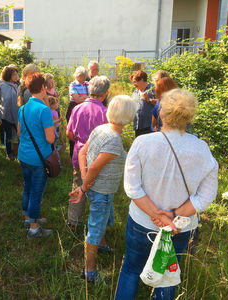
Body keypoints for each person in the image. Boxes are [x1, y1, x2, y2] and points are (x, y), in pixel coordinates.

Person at [115, 89, 219, 300]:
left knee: (131, 268)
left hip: (142, 222)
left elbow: (132, 188)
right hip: (180, 226)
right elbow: (206, 196)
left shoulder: (142, 143)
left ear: (161, 113)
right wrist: (173, 215)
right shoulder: (202, 149)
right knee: (167, 274)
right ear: (189, 118)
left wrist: (159, 215)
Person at [69, 95, 136, 282]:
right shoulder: (113, 139)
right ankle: (89, 272)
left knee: (106, 215)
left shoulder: (101, 129)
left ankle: (102, 244)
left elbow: (82, 151)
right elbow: (96, 167)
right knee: (96, 227)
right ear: (128, 116)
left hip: (97, 187)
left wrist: (84, 175)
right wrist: (83, 186)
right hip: (101, 190)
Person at [66, 76, 110, 230]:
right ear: (104, 94)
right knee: (98, 191)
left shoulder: (77, 108)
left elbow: (69, 134)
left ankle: (72, 222)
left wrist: (79, 142)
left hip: (79, 155)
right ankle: (96, 226)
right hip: (98, 159)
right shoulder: (105, 112)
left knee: (78, 185)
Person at [17, 72, 55, 239]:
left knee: (28, 187)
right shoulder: (44, 110)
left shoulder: (23, 108)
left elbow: (19, 133)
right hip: (39, 159)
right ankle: (33, 229)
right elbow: (50, 138)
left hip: (24, 155)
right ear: (42, 87)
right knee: (36, 193)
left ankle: (28, 218)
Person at [0, 66, 20, 160]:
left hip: (16, 114)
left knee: (19, 133)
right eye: (14, 74)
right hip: (5, 115)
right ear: (9, 76)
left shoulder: (16, 86)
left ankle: (19, 152)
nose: (16, 76)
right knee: (8, 135)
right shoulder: (2, 85)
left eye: (16, 74)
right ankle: (9, 153)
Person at [66, 66, 89, 159]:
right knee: (73, 132)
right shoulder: (73, 84)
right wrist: (85, 97)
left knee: (84, 132)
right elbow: (76, 99)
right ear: (76, 76)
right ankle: (73, 155)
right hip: (73, 108)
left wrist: (82, 97)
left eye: (84, 76)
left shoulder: (88, 84)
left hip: (85, 110)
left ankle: (84, 155)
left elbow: (91, 96)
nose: (82, 78)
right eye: (81, 76)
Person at [130, 70, 156, 137]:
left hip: (150, 127)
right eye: (133, 82)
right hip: (138, 126)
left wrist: (149, 100)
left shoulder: (153, 89)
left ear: (141, 79)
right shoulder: (135, 93)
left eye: (135, 82)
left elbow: (162, 103)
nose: (134, 84)